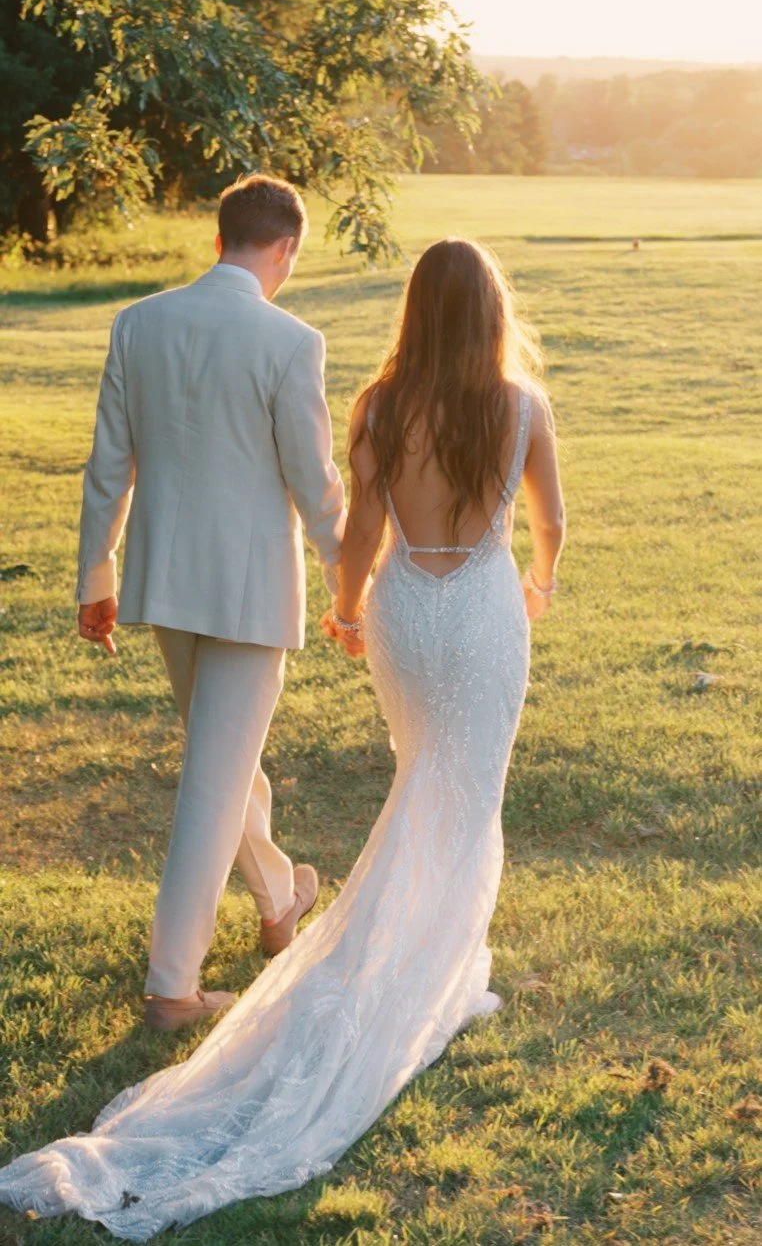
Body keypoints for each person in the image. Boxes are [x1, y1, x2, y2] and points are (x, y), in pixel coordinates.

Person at [0, 238, 564, 1240]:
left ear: (415, 311)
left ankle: (438, 961)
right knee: (462, 795)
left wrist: (350, 606)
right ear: (490, 310)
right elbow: (550, 522)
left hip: (407, 615)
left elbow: (362, 529)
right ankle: (431, 970)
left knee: (421, 782)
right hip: (481, 613)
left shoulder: (382, 404)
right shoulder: (523, 406)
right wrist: (540, 579)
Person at [74, 174, 346, 1031]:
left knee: (225, 762)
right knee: (212, 777)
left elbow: (107, 463)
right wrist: (350, 582)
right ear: (286, 248)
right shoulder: (290, 339)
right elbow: (314, 481)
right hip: (247, 590)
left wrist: (98, 576)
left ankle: (277, 898)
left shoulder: (139, 322)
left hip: (163, 583)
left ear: (218, 236)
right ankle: (171, 986)